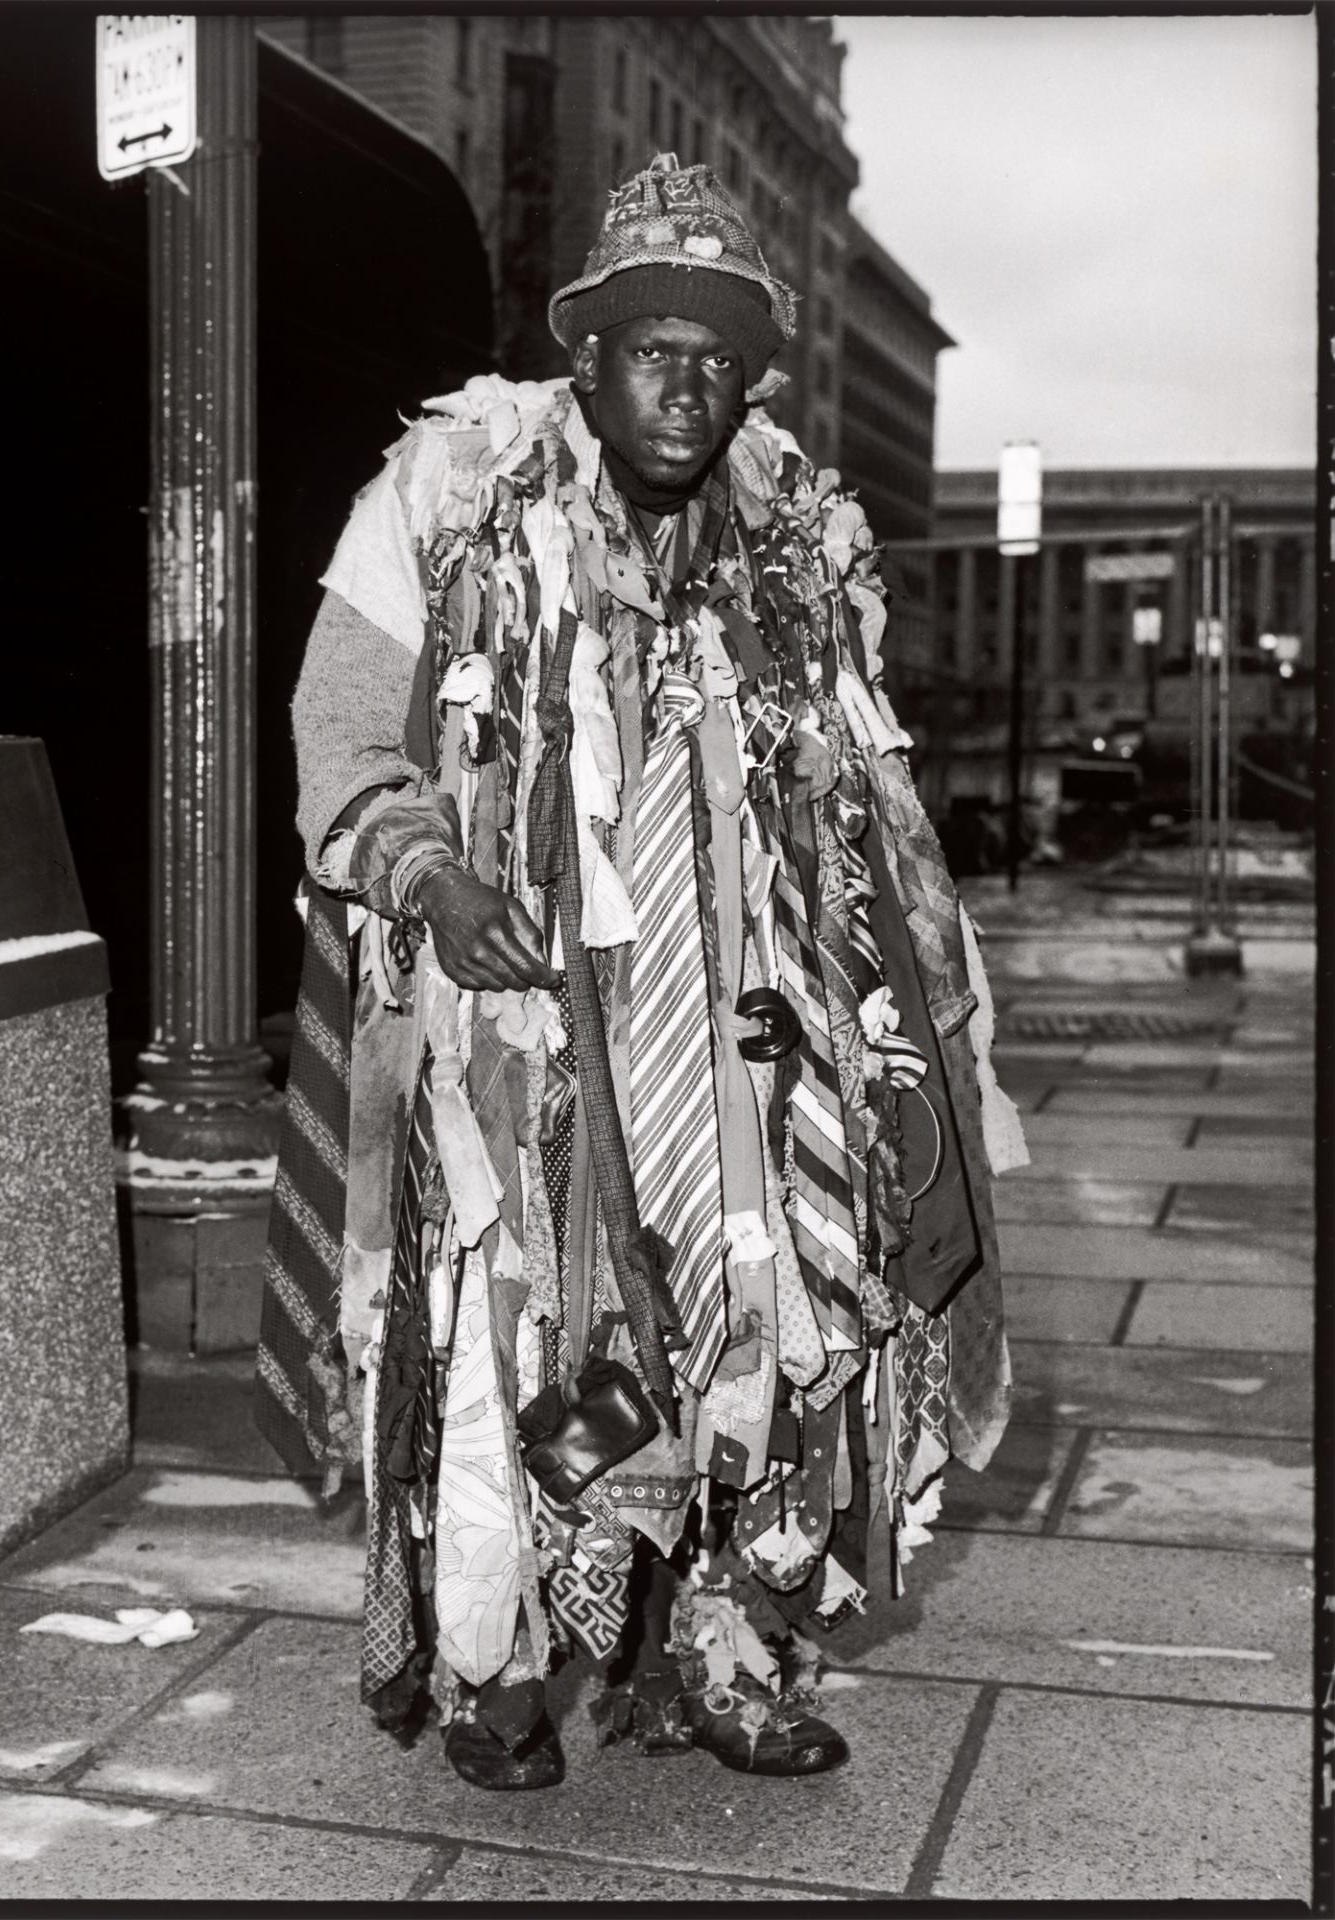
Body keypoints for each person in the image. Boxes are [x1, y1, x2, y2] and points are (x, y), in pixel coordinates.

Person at [256, 154, 1026, 1792]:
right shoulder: (454, 492)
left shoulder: (798, 529)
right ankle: (508, 1669)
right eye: (653, 351)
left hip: (750, 1012)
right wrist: (435, 872)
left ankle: (732, 1647)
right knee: (516, 1326)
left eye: (720, 357)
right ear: (584, 355)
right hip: (527, 1017)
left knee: (773, 1303)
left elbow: (861, 781)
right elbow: (335, 739)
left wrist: (892, 989)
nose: (690, 388)